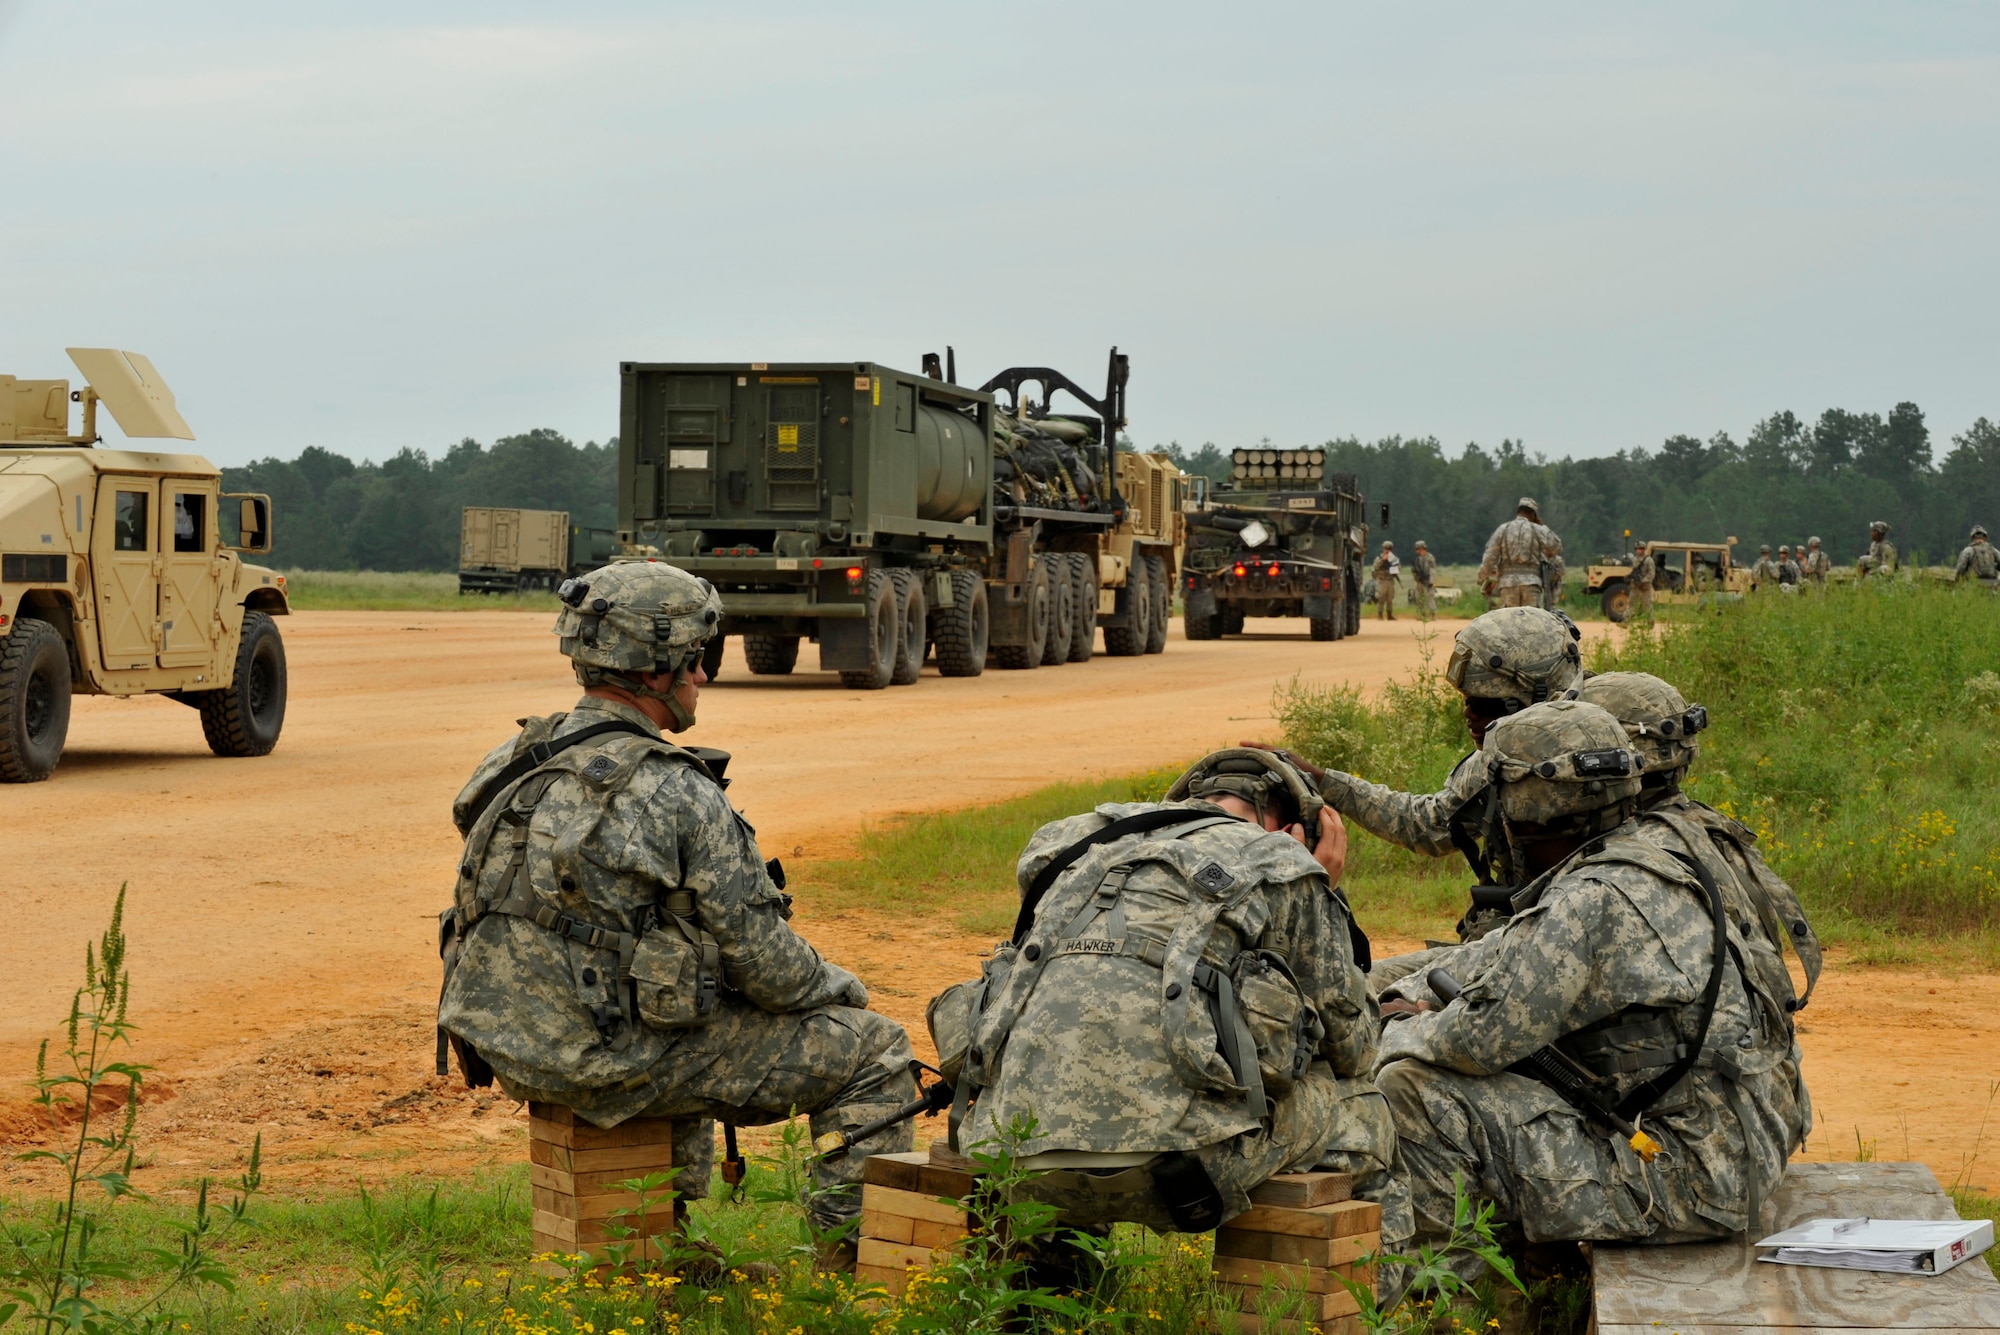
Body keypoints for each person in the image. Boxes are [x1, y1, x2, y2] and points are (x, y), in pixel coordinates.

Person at [435, 561, 918, 1263]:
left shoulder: (508, 759)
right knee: (874, 1051)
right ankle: (848, 1273)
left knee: (680, 995)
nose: (705, 675)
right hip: (598, 1054)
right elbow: (770, 967)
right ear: (657, 669)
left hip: (500, 1037)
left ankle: (670, 1253)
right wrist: (845, 992)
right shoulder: (677, 791)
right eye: (699, 657)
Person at [930, 748, 1411, 1284]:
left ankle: (1043, 1303)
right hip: (1183, 1177)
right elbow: (1353, 1048)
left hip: (1009, 1162)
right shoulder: (1284, 865)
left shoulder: (1070, 844)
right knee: (1366, 1108)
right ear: (1301, 825)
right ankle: (1381, 1306)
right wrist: (1321, 883)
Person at [1372, 699, 1808, 1266]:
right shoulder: (1650, 856)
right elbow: (1503, 951)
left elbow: (1478, 1041)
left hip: (1690, 1180)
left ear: (1526, 805)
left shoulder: (1588, 901)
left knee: (1412, 1091)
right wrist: (1411, 986)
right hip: (1733, 1148)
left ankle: (1454, 1306)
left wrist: (1394, 1028)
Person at [1250, 607, 1586, 981]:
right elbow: (1430, 825)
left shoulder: (1595, 756)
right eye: (1466, 699)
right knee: (1363, 986)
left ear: (1536, 700)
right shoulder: (1504, 752)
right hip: (1512, 938)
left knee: (1366, 998)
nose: (1469, 714)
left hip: (1561, 945)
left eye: (1487, 703)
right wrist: (1321, 778)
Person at [1477, 497, 1564, 609]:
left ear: (1518, 512)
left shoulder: (1503, 529)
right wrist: (1542, 526)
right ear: (1533, 514)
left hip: (1508, 585)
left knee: (1511, 621)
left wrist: (1481, 578)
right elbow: (1557, 547)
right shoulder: (1537, 529)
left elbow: (1490, 557)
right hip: (1531, 584)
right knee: (1531, 620)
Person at [1374, 540, 1401, 621]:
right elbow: (1375, 567)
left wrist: (1394, 568)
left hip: (1390, 580)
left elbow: (1398, 568)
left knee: (1390, 598)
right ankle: (1380, 614)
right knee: (1381, 598)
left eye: (1389, 549)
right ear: (1383, 548)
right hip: (1382, 580)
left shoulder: (1394, 558)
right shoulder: (1379, 558)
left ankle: (1389, 614)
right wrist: (1382, 560)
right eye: (1386, 548)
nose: (1387, 550)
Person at [1628, 542, 1656, 620]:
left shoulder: (1648, 560)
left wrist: (1644, 581)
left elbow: (1651, 573)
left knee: (1647, 604)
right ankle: (1626, 620)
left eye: (1641, 549)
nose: (1639, 551)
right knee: (1631, 602)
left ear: (1644, 550)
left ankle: (1650, 621)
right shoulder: (1635, 560)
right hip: (1635, 585)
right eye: (1637, 549)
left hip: (1645, 586)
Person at [1412, 540, 1438, 620]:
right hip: (1419, 582)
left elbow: (1432, 570)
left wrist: (1431, 581)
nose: (1416, 551)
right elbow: (1414, 570)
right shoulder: (1418, 559)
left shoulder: (1429, 557)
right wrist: (1416, 577)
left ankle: (1433, 615)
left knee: (1430, 597)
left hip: (1428, 581)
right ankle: (1422, 614)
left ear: (1422, 548)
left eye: (1418, 549)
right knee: (1419, 598)